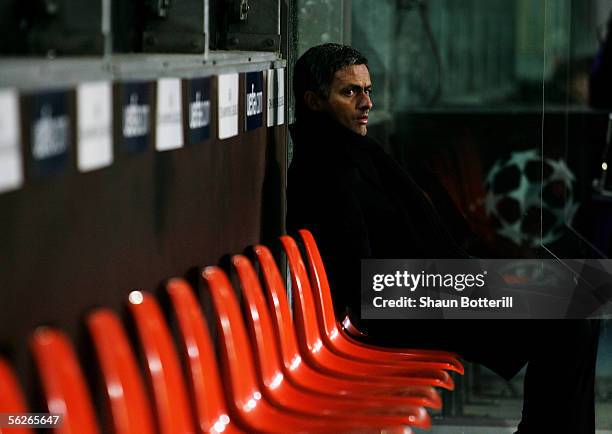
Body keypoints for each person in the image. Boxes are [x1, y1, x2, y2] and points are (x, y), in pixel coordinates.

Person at [287, 43, 601, 434]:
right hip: (399, 304)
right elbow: (360, 281)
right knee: (569, 317)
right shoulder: (326, 171)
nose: (366, 102)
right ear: (314, 101)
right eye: (350, 92)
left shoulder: (353, 153)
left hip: (421, 289)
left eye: (368, 89)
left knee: (578, 303)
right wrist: (459, 283)